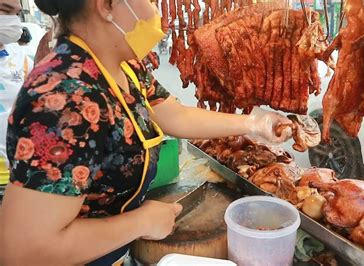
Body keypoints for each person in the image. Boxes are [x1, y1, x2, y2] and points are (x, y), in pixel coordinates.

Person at [0, 0, 291, 265]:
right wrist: (139, 222)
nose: (157, 12)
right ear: (106, 6)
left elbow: (173, 114)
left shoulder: (122, 67)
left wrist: (254, 125)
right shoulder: (66, 99)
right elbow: (25, 250)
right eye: (150, 1)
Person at [0, 0, 33, 186]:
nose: (12, 21)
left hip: (15, 178)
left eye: (16, 14)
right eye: (4, 10)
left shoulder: (21, 59)